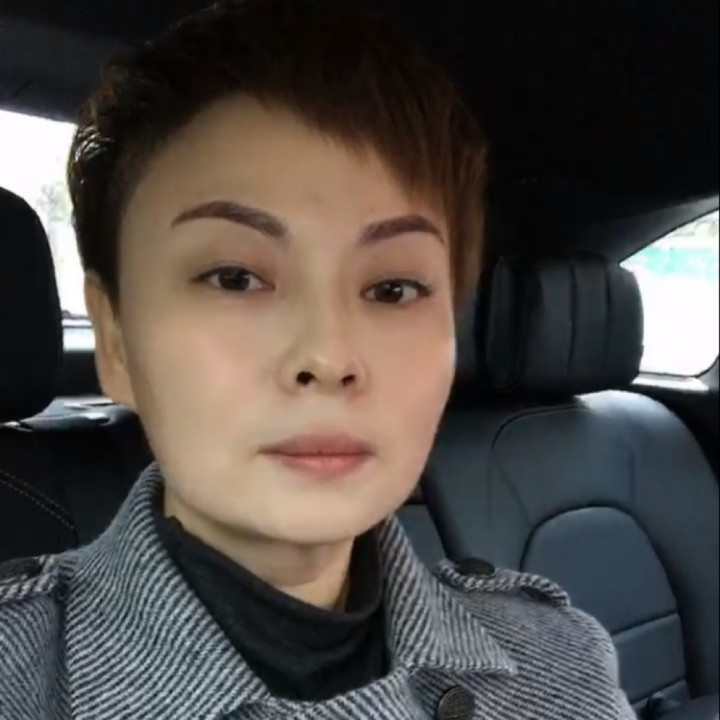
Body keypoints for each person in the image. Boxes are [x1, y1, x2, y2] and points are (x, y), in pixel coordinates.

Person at [0, 1, 636, 718]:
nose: (329, 357)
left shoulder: (560, 660)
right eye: (235, 278)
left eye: (393, 289)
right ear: (116, 339)